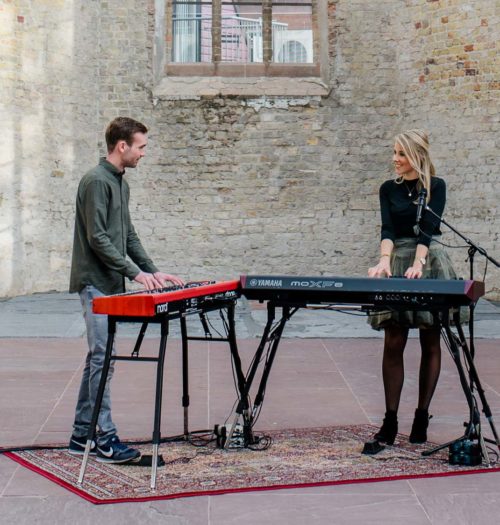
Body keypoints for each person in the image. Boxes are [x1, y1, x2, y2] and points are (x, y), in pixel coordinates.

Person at [68, 117, 184, 463]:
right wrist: (134, 275)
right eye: (141, 146)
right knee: (103, 360)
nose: (143, 153)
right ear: (123, 146)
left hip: (112, 285)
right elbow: (97, 238)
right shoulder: (94, 181)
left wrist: (152, 271)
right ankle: (104, 438)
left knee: (98, 360)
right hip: (95, 284)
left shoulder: (121, 184)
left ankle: (80, 436)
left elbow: (127, 235)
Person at [367, 129, 463, 445]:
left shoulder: (436, 187)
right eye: (394, 153)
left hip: (429, 259)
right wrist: (384, 260)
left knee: (430, 338)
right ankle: (390, 420)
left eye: (401, 154)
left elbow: (430, 230)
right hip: (397, 258)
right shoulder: (387, 189)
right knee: (394, 339)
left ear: (417, 156)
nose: (395, 159)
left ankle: (422, 415)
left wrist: (420, 263)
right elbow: (387, 228)